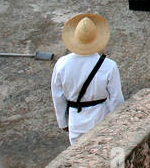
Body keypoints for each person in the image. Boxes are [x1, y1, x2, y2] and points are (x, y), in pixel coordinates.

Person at [51, 13, 125, 145]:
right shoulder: (109, 66)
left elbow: (58, 96)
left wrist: (62, 122)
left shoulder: (62, 64)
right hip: (102, 118)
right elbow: (116, 99)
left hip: (76, 121)